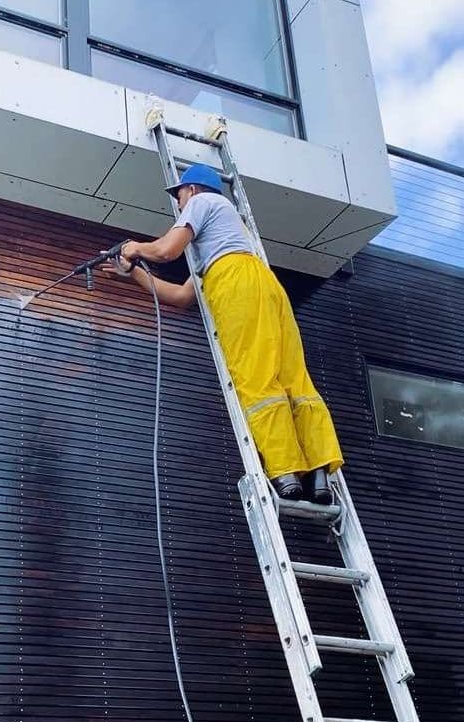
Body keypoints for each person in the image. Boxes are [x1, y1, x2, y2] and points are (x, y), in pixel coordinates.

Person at [102, 163, 343, 504]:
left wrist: (135, 247)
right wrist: (134, 274)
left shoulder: (203, 202)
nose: (179, 205)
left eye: (179, 196)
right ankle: (318, 475)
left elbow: (167, 250)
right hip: (265, 286)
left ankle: (286, 471)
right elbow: (181, 297)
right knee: (294, 379)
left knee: (255, 377)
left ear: (193, 190)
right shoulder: (225, 239)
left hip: (236, 285)